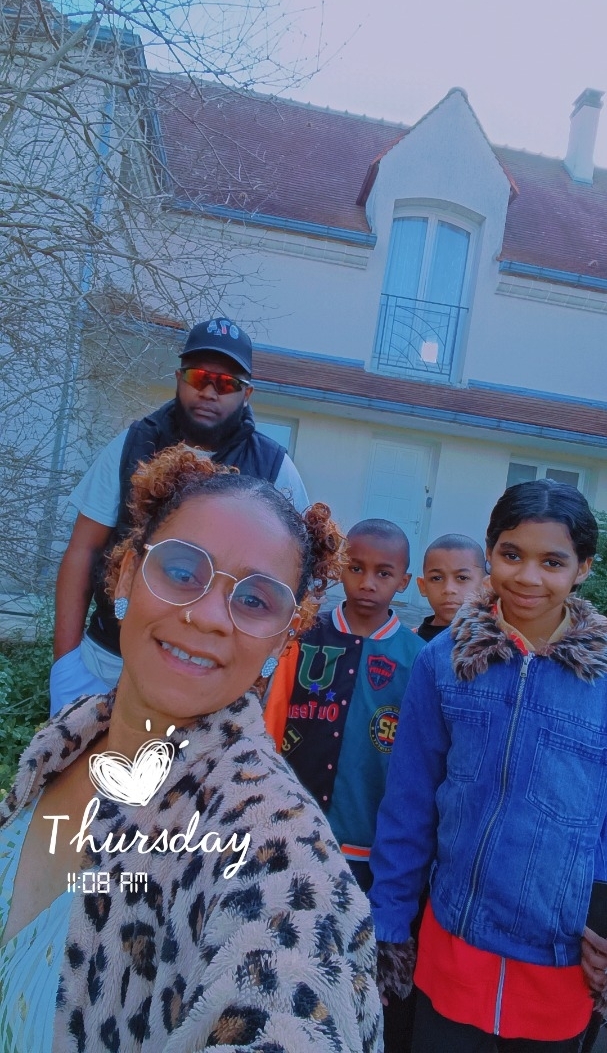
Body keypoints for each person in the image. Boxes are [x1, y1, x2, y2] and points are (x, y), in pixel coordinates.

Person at [0, 447, 381, 1053]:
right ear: (127, 574)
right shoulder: (65, 745)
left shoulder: (276, 849)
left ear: (283, 640)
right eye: (182, 571)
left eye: (254, 600)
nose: (207, 617)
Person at [369, 479, 607, 1052]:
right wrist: (389, 923)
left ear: (582, 568)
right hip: (453, 947)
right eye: (511, 554)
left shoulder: (601, 677)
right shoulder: (442, 661)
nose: (528, 577)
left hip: (563, 961)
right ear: (491, 550)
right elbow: (409, 801)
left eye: (553, 562)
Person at [51, 316, 308, 714]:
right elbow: (83, 550)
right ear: (178, 378)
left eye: (226, 383)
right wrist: (65, 666)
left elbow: (292, 591)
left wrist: (253, 687)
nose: (209, 391)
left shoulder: (275, 469)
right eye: (198, 376)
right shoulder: (132, 444)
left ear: (247, 394)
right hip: (103, 668)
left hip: (204, 681)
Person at [265, 518, 423, 1053]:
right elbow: (272, 717)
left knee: (351, 963)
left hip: (367, 841)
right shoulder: (304, 636)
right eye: (356, 568)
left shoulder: (417, 659)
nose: (368, 583)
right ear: (339, 569)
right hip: (295, 830)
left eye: (384, 573)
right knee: (288, 948)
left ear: (404, 581)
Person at [414, 533, 486, 642]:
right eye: (437, 578)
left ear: (485, 585)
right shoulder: (409, 643)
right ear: (422, 586)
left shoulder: (497, 646)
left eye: (462, 578)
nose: (448, 589)